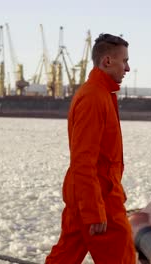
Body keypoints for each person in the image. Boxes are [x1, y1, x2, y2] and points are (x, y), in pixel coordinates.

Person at [45, 33, 136, 264]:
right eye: (124, 61)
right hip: (99, 198)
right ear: (107, 61)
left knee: (63, 258)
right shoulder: (94, 97)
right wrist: (94, 210)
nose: (128, 68)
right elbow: (83, 159)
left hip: (88, 194)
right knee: (122, 256)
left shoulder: (101, 94)